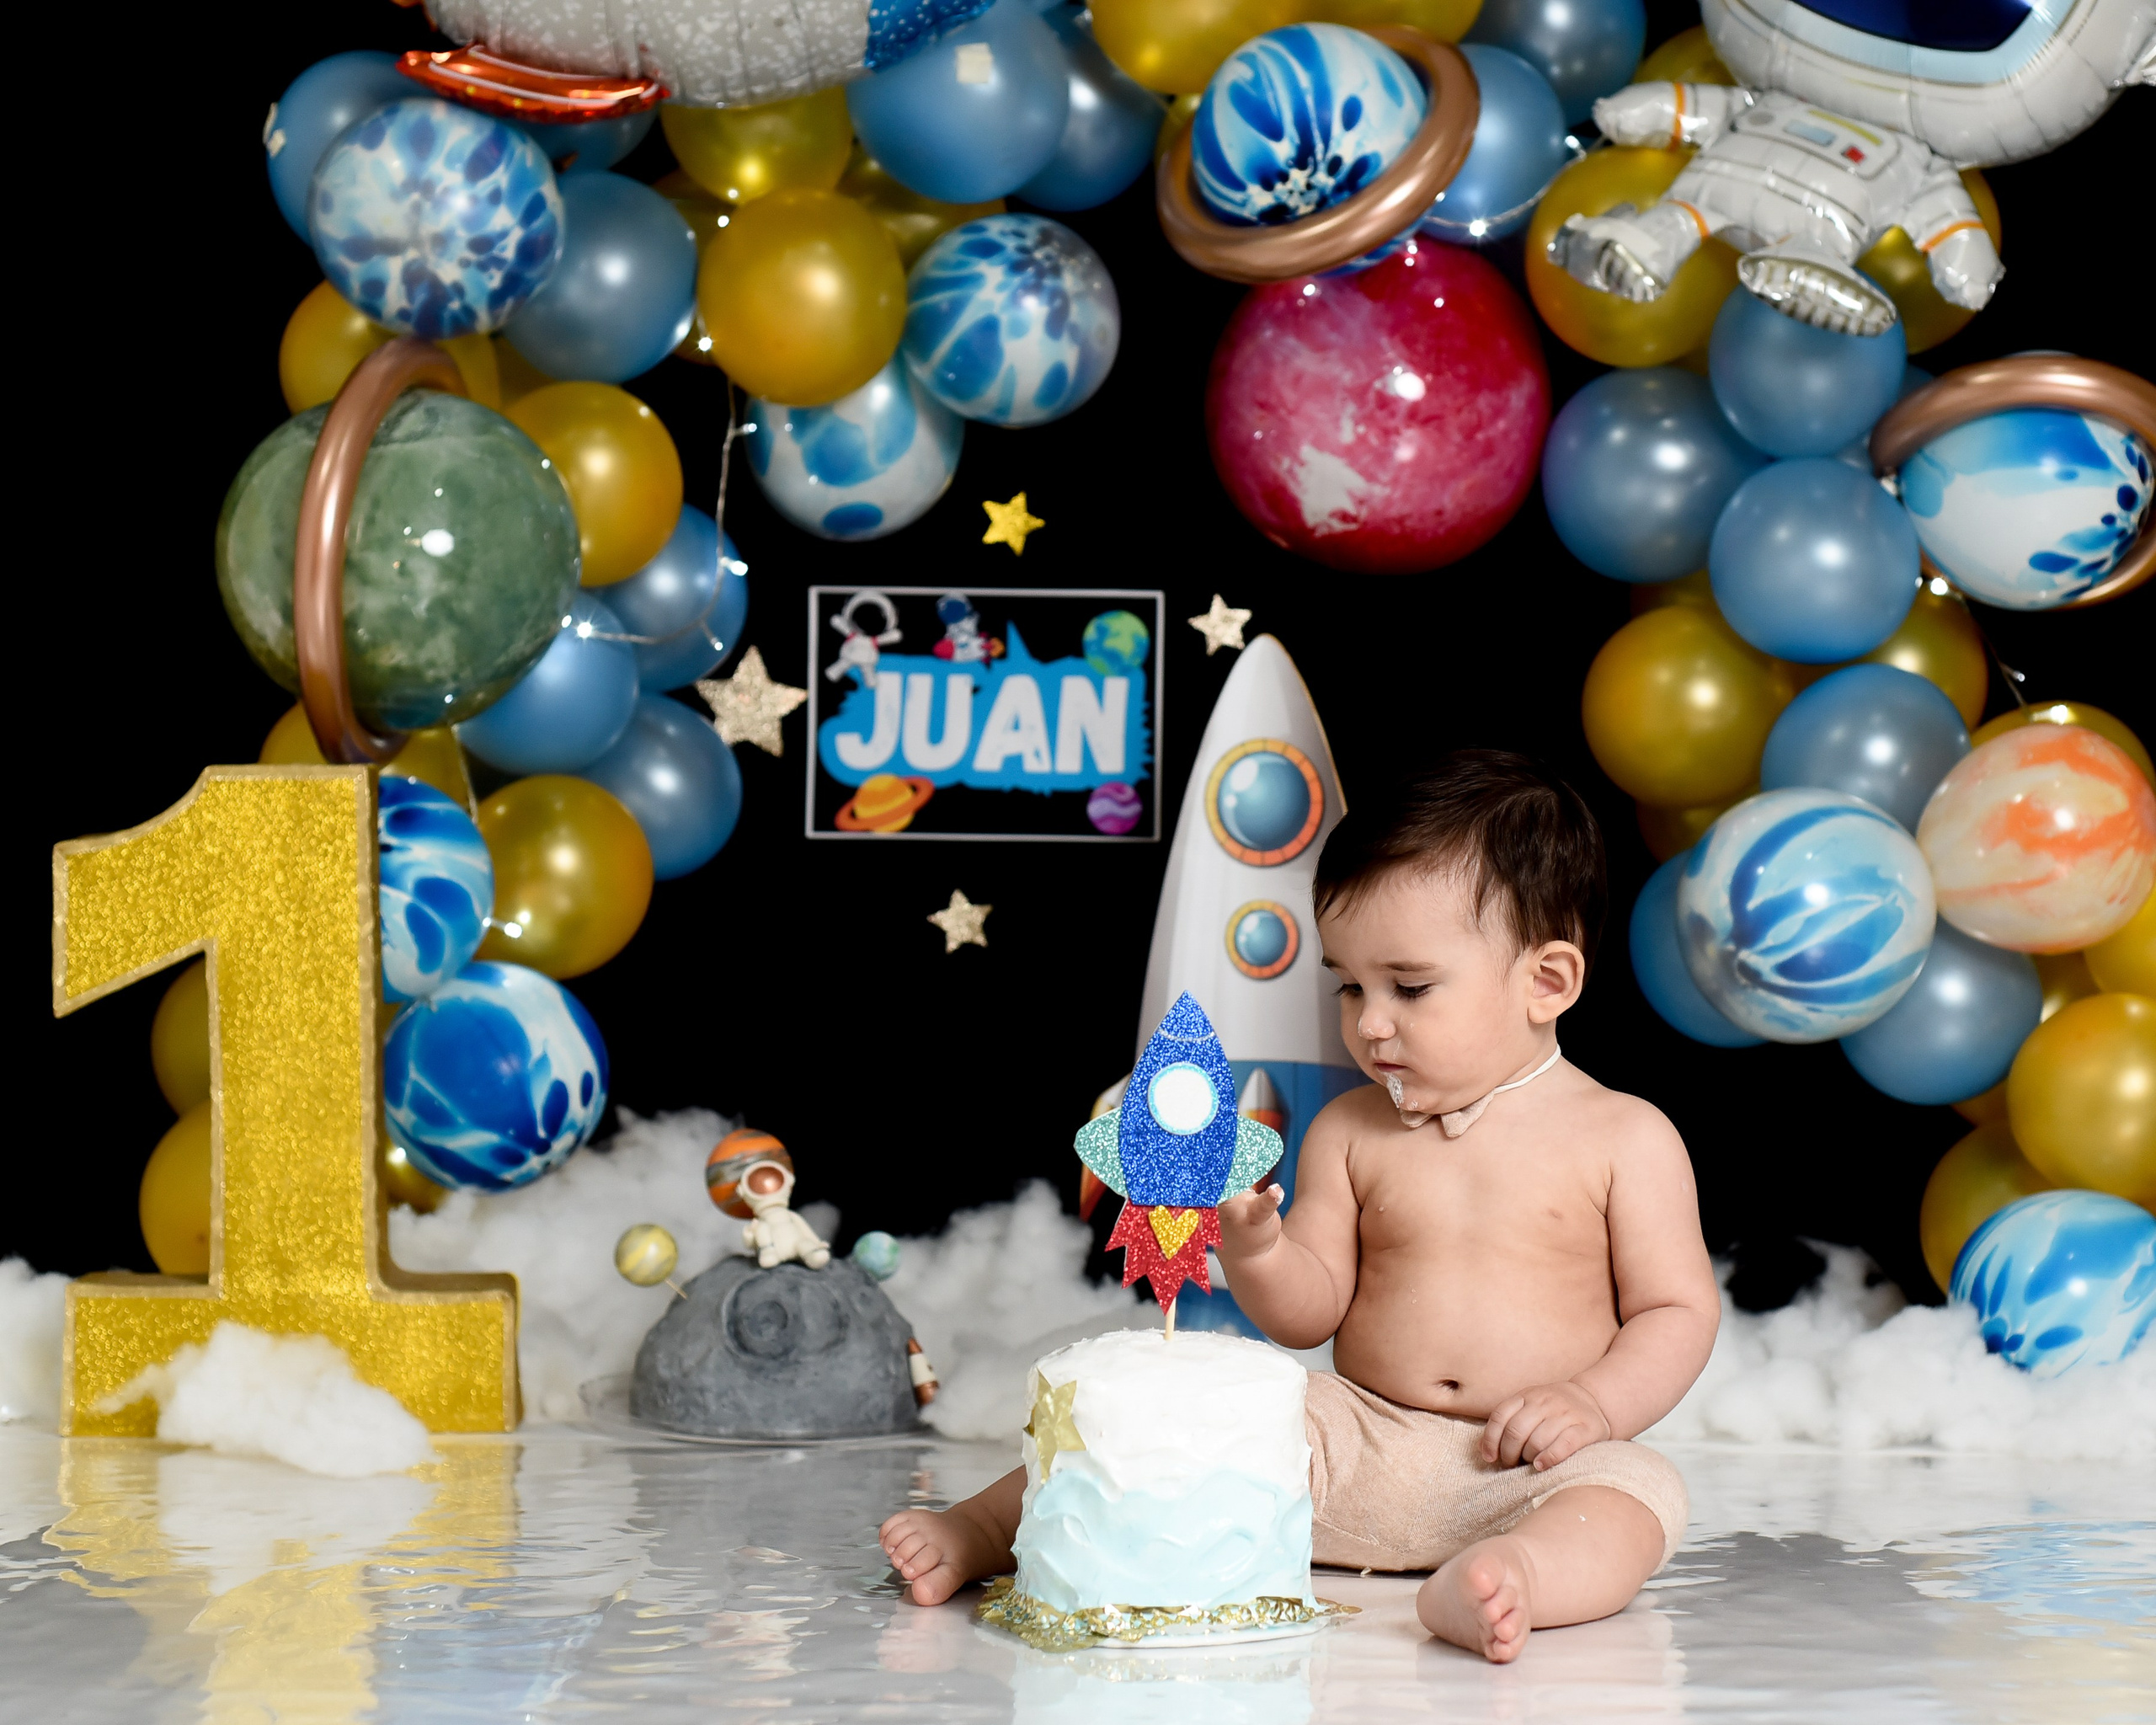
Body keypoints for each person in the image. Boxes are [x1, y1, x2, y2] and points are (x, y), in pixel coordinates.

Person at [879, 751, 1721, 1663]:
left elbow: (1674, 1310)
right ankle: (981, 1526)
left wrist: (1591, 1404)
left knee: (1636, 1492)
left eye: (1409, 986)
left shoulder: (1623, 1136)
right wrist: (1258, 1246)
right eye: (1349, 985)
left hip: (1528, 1466)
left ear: (1545, 981)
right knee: (1183, 1414)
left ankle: (1510, 1575)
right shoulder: (1351, 1131)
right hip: (1350, 1443)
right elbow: (1306, 1312)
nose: (1367, 1021)